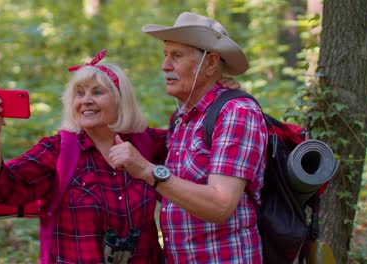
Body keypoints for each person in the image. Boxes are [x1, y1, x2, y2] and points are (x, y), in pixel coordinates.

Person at [0, 49, 167, 264]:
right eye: (80, 93)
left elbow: (195, 170)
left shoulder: (148, 143)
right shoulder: (58, 151)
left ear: (121, 100)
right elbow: (0, 187)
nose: (86, 100)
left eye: (97, 92)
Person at [109, 12, 268, 263]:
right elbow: (179, 191)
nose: (165, 66)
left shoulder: (236, 113)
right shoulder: (183, 116)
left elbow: (220, 206)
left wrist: (148, 170)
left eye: (177, 56)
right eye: (165, 55)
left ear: (211, 63)